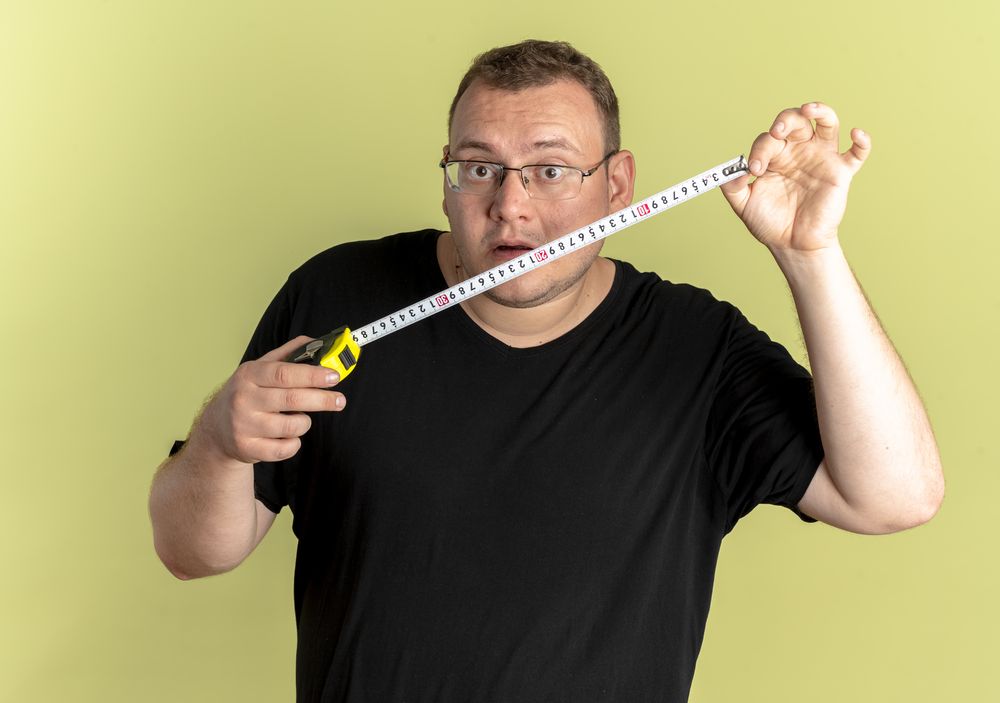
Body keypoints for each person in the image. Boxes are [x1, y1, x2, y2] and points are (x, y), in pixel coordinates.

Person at [149, 40, 944, 702]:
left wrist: (810, 255)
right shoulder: (334, 297)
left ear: (618, 186)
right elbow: (190, 550)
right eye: (479, 166)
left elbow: (897, 495)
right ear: (447, 178)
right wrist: (220, 440)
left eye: (551, 169)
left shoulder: (697, 350)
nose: (511, 206)